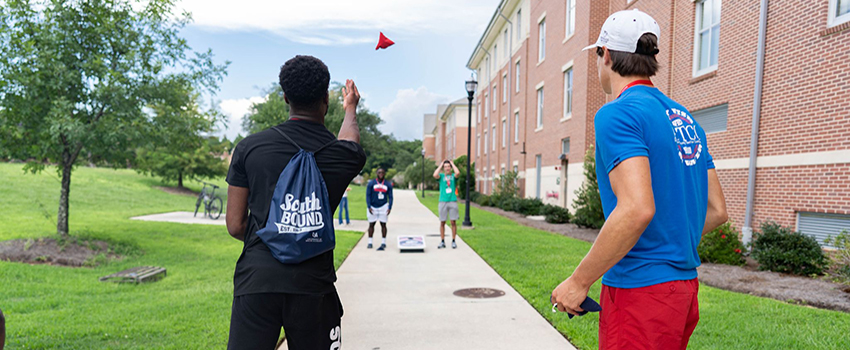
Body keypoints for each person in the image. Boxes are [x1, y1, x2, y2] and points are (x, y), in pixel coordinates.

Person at [550, 9, 728, 350]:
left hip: (640, 292)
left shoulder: (617, 113)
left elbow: (635, 209)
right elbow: (717, 210)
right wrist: (671, 239)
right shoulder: (685, 119)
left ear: (606, 55)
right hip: (683, 291)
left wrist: (579, 281)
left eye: (598, 54)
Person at [224, 55, 366, 350]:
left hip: (257, 279)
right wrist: (351, 107)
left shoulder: (249, 148)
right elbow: (349, 139)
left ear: (285, 97)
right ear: (325, 98)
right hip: (313, 286)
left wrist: (278, 231)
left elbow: (236, 224)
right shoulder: (341, 156)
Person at [433, 159, 460, 249]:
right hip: (443, 201)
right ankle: (442, 241)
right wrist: (441, 165)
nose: (447, 168)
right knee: (442, 222)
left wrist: (452, 163)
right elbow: (434, 175)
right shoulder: (441, 176)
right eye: (446, 167)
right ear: (443, 168)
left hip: (452, 200)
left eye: (448, 167)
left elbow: (458, 173)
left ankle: (453, 240)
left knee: (453, 222)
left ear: (450, 168)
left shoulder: (453, 176)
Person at [365, 168, 393, 251]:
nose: (381, 174)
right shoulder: (371, 183)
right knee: (371, 224)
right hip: (373, 207)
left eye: (382, 172)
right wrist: (369, 206)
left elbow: (390, 196)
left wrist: (389, 207)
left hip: (383, 206)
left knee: (383, 225)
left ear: (384, 174)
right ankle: (370, 242)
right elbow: (368, 195)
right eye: (379, 172)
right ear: (377, 173)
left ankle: (383, 242)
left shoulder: (388, 184)